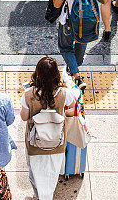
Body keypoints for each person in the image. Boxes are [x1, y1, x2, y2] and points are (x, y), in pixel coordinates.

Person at [20, 56, 77, 200]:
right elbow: (73, 111)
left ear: (37, 73)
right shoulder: (65, 94)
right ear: (56, 75)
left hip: (34, 143)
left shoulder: (28, 95)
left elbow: (24, 117)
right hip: (56, 143)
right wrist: (61, 114)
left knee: (35, 174)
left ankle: (39, 195)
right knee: (51, 174)